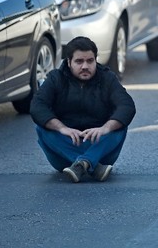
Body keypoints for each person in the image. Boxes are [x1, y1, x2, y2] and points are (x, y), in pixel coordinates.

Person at [30, 36, 136, 183]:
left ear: (95, 60)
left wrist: (104, 129)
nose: (85, 66)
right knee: (42, 128)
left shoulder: (107, 78)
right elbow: (37, 106)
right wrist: (62, 129)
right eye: (79, 61)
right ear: (69, 62)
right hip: (64, 149)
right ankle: (93, 166)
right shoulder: (56, 78)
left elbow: (127, 106)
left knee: (119, 127)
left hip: (100, 147)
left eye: (90, 61)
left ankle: (83, 164)